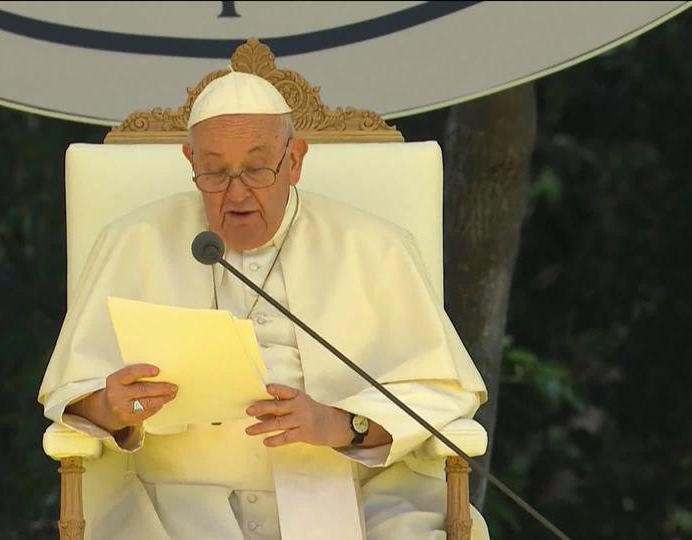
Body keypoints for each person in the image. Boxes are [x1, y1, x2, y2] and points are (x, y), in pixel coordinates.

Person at [38, 71, 490, 539]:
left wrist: (339, 423)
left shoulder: (374, 246)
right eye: (214, 172)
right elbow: (71, 391)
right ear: (190, 161)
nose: (236, 193)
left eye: (256, 169)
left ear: (294, 160)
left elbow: (441, 390)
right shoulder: (134, 241)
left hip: (351, 499)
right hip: (171, 507)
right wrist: (110, 407)